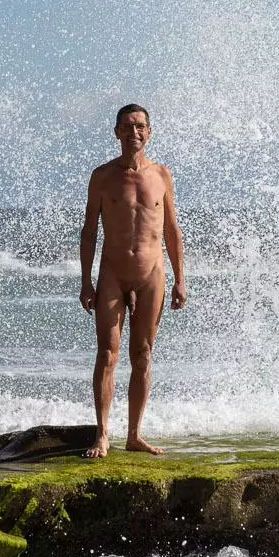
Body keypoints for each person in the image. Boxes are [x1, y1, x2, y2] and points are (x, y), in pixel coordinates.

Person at [78, 103, 186, 457]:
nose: (134, 132)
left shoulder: (162, 175)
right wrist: (86, 281)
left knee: (142, 354)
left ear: (149, 132)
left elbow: (171, 229)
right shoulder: (102, 177)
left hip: (151, 274)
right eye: (127, 126)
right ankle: (102, 434)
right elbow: (89, 231)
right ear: (116, 132)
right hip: (112, 274)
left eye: (140, 126)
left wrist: (180, 278)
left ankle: (134, 435)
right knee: (107, 354)